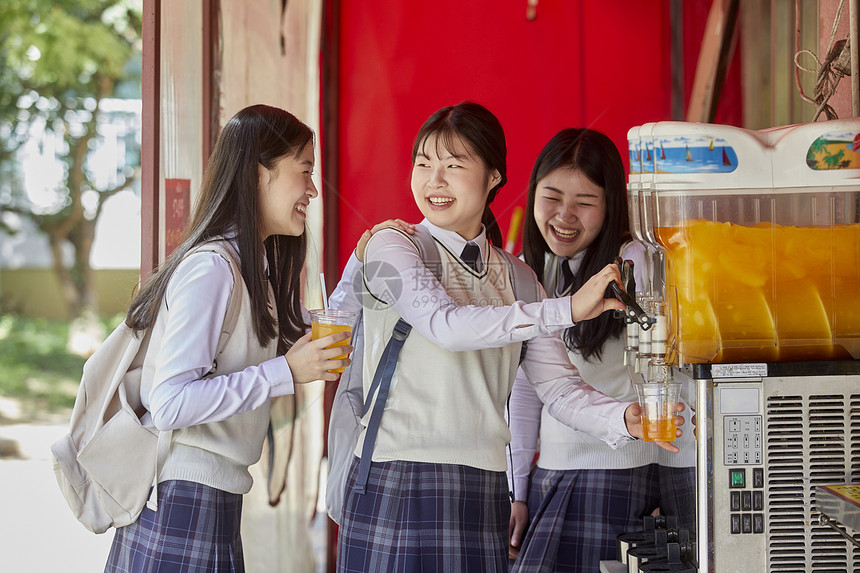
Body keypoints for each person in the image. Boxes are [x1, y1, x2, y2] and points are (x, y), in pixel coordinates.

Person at [327, 102, 683, 573]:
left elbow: (557, 388)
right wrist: (567, 309)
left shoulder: (517, 278)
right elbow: (446, 325)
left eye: (454, 166)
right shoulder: (393, 246)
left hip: (484, 488)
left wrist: (623, 418)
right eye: (424, 164)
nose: (435, 181)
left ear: (493, 177)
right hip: (397, 475)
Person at [105, 104, 352, 572]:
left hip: (212, 498)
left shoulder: (253, 268)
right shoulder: (212, 269)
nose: (313, 189)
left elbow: (315, 321)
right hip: (182, 499)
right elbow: (171, 402)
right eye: (305, 171)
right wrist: (285, 372)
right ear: (261, 173)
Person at [507, 128, 696, 572]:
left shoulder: (635, 263)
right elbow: (525, 390)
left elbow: (674, 362)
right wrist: (517, 490)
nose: (564, 216)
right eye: (551, 196)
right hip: (562, 471)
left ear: (611, 206)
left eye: (585, 203)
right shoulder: (534, 272)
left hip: (629, 471)